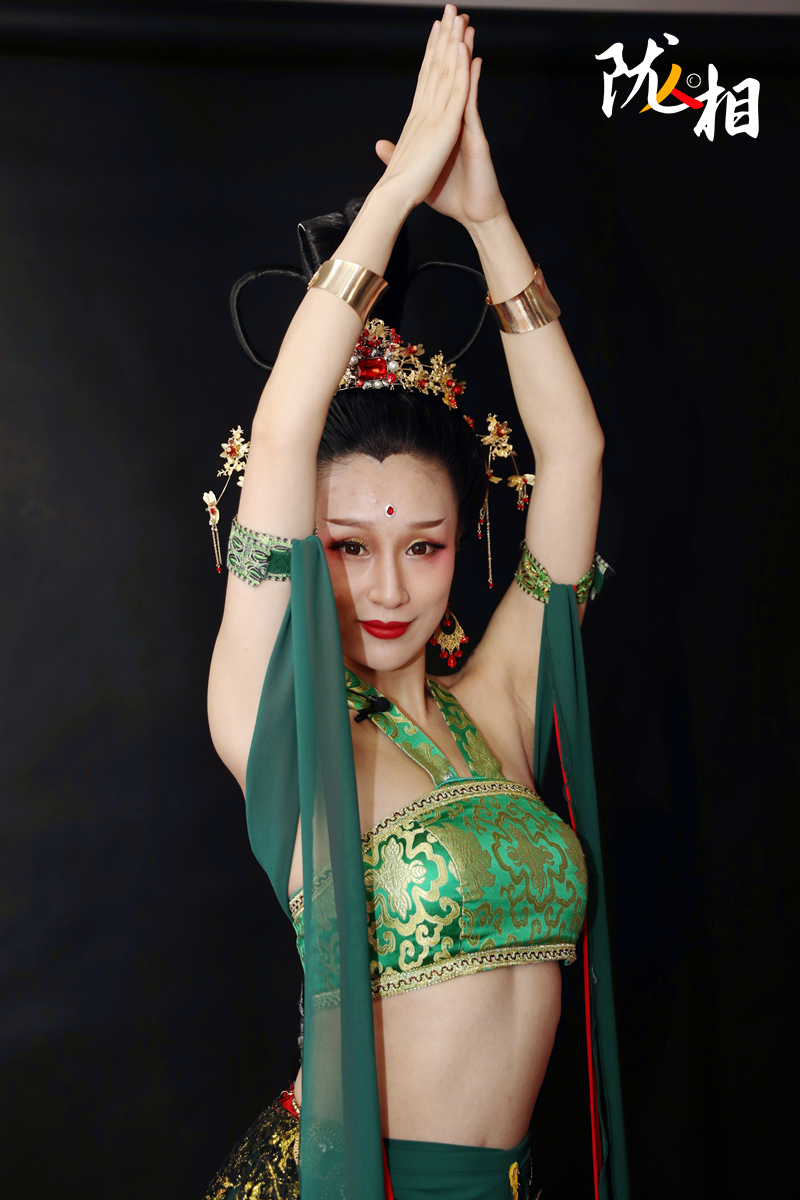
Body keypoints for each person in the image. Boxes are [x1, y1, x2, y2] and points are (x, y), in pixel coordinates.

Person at [204, 7, 627, 1200]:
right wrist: (390, 207)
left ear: (459, 545)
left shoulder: (497, 701)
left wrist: (484, 220)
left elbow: (575, 455)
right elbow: (284, 433)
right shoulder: (282, 732)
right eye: (344, 548)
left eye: (423, 546)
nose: (386, 586)